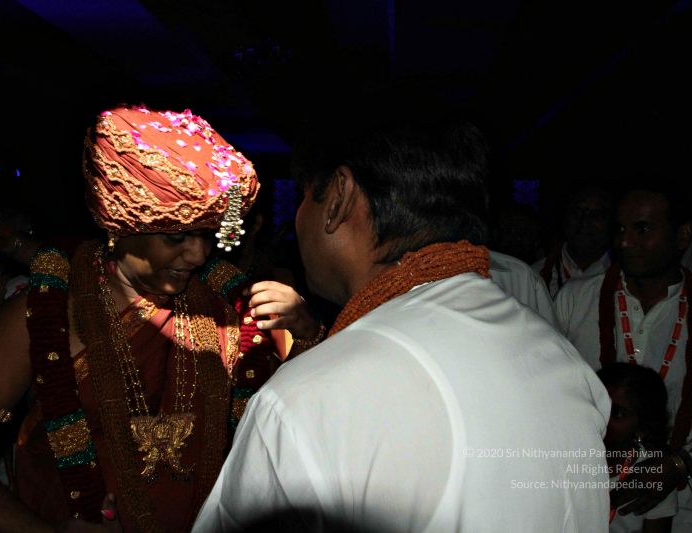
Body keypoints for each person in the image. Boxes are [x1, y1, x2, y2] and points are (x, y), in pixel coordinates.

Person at [192, 115, 612, 532]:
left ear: (338, 197)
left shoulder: (310, 399)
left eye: (304, 196)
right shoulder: (564, 361)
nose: (299, 217)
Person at [0, 105, 322, 533]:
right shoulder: (47, 313)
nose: (198, 254)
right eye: (177, 236)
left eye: (207, 234)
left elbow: (305, 422)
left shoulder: (229, 308)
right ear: (120, 224)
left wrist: (308, 333)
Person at [554, 183, 692, 532]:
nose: (625, 243)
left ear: (682, 236)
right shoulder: (576, 299)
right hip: (587, 496)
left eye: (642, 229)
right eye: (619, 229)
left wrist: (679, 462)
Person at [597, 363, 676, 533]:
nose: (602, 418)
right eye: (596, 406)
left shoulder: (656, 476)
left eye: (618, 414)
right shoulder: (566, 456)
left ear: (643, 427)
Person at [533, 183, 614, 298]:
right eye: (577, 212)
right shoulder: (534, 277)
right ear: (564, 218)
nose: (584, 221)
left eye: (596, 215)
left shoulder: (627, 276)